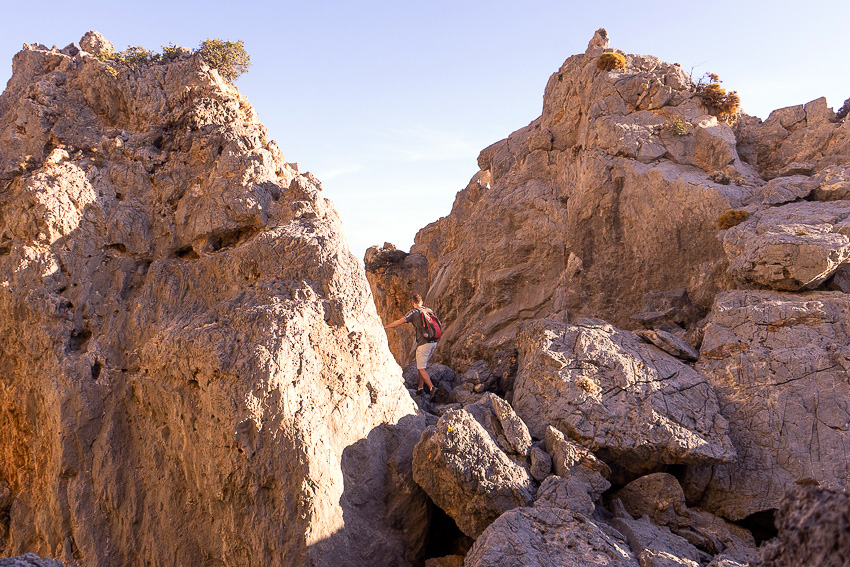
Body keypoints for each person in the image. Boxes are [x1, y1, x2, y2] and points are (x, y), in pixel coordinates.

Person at [384, 294, 439, 395]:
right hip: (434, 342)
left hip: (424, 344)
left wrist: (385, 327)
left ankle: (432, 388)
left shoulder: (414, 312)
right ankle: (420, 388)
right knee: (422, 366)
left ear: (413, 302)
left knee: (421, 368)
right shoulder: (429, 310)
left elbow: (400, 321)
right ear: (421, 302)